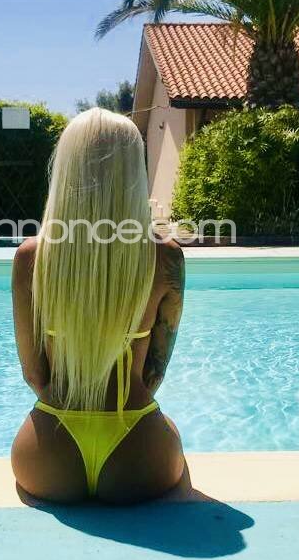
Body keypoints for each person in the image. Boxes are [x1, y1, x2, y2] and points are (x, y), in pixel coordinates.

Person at [11, 108, 185, 503]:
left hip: (48, 451)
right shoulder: (166, 258)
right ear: (134, 172)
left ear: (66, 170)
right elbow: (154, 373)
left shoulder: (31, 258)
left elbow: (34, 374)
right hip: (139, 451)